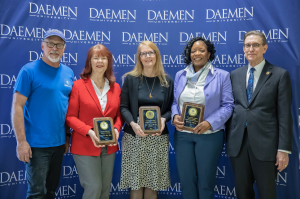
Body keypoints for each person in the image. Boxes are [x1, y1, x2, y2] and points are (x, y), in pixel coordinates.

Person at [227, 30, 293, 199]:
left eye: (256, 45)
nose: (251, 49)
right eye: (247, 45)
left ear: (265, 48)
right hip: (238, 145)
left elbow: (285, 114)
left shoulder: (279, 75)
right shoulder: (234, 75)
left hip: (266, 146)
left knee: (267, 194)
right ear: (243, 48)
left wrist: (283, 149)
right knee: (243, 193)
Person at [11, 29, 74, 199]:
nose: (55, 48)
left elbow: (67, 109)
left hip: (59, 144)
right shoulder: (28, 71)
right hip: (36, 146)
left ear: (64, 48)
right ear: (42, 46)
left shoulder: (69, 73)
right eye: (50, 44)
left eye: (59, 44)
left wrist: (67, 137)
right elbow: (17, 107)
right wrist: (21, 142)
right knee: (37, 194)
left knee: (51, 191)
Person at [171, 37, 234, 199]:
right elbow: (174, 102)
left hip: (210, 135)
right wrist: (175, 115)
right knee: (186, 181)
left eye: (201, 50)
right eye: (193, 51)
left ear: (209, 54)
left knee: (206, 183)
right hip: (183, 135)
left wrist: (210, 123)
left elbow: (228, 106)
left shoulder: (222, 76)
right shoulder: (180, 75)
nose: (196, 53)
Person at [65, 44, 123, 199]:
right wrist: (89, 132)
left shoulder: (115, 87)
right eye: (96, 57)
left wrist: (116, 130)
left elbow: (119, 116)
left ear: (108, 62)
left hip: (109, 146)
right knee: (94, 188)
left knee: (104, 191)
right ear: (89, 62)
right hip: (85, 144)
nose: (100, 61)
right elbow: (70, 117)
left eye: (104, 58)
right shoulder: (78, 86)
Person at [120, 41, 174, 199]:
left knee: (153, 184)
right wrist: (133, 124)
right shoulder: (130, 79)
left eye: (151, 52)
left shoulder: (167, 81)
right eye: (143, 53)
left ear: (156, 55)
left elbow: (172, 108)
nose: (147, 56)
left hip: (158, 138)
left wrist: (164, 119)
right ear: (139, 57)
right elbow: (123, 107)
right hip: (135, 135)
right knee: (136, 184)